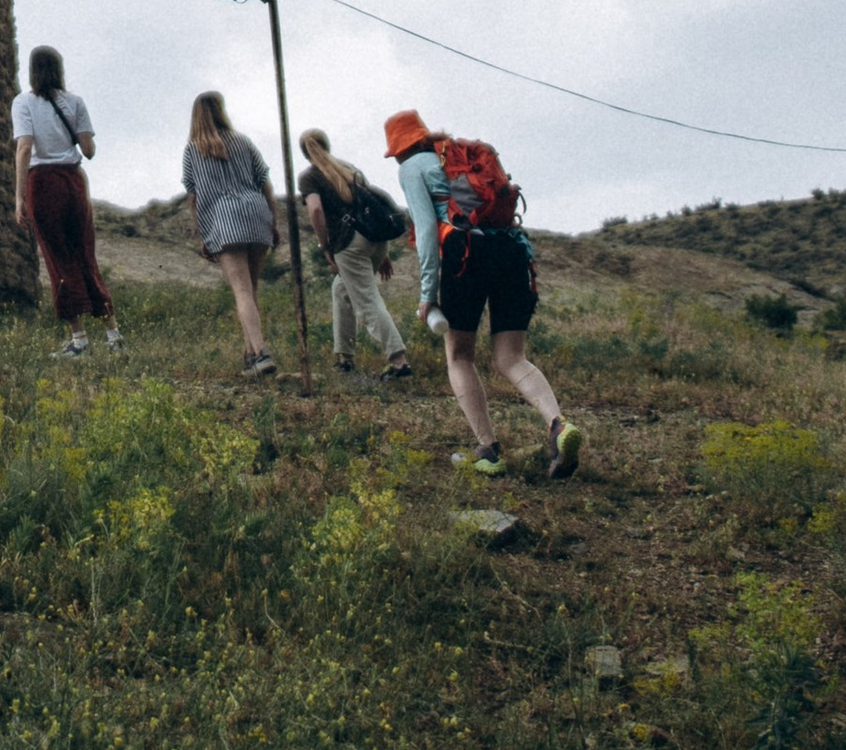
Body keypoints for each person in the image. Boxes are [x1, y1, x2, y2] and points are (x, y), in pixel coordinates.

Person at [386, 107, 581, 479]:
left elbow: (426, 231)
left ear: (400, 149)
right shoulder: (458, 155)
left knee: (459, 354)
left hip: (466, 255)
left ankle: (488, 451)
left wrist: (427, 294)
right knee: (511, 358)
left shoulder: (411, 168)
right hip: (512, 249)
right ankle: (558, 426)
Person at [12, 45, 121, 358]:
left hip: (43, 182)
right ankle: (113, 335)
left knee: (58, 259)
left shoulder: (23, 102)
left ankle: (79, 340)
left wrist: (19, 196)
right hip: (74, 180)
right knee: (85, 254)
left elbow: (24, 148)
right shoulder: (75, 102)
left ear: (32, 71)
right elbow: (89, 150)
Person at [296, 128, 410, 377]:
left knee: (367, 300)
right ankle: (345, 358)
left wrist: (325, 246)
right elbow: (372, 206)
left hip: (349, 245)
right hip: (375, 239)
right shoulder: (349, 169)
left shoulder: (309, 177)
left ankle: (399, 361)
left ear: (305, 153)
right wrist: (383, 254)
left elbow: (315, 210)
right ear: (327, 144)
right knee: (341, 290)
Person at [181, 90, 279, 377]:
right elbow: (265, 183)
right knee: (251, 290)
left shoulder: (193, 150)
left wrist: (204, 233)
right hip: (256, 213)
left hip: (225, 221)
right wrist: (273, 222)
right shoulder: (243, 142)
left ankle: (262, 353)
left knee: (241, 291)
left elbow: (193, 197)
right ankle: (250, 356)